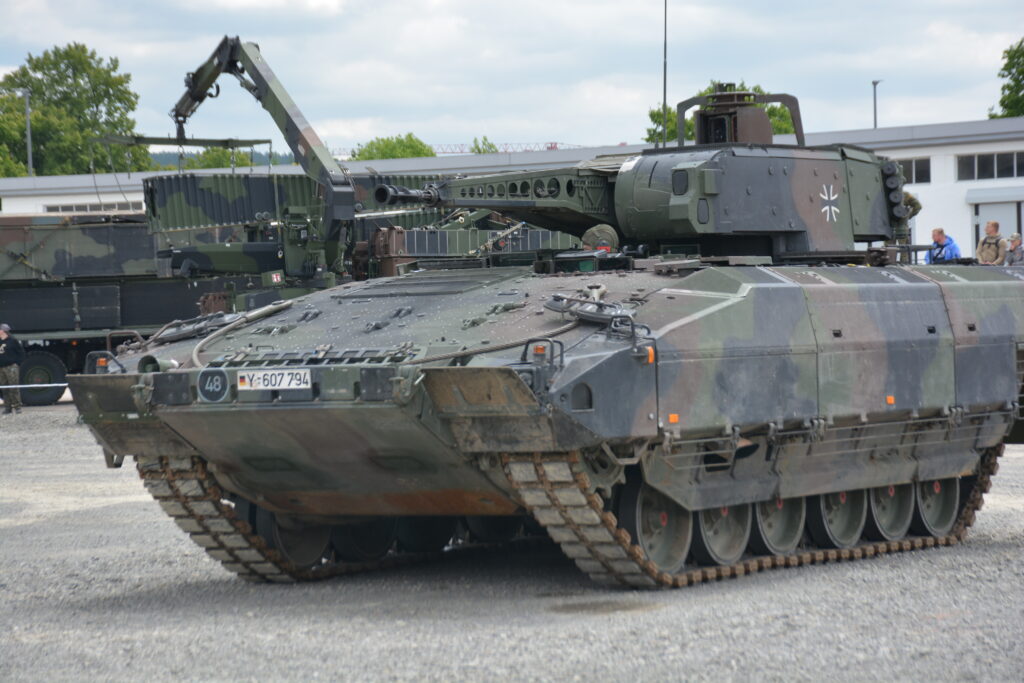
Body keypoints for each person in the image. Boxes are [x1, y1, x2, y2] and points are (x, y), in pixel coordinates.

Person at [0, 323, 25, 414]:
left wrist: (17, 364)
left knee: (13, 387)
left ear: (3, 331)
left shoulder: (12, 341)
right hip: (1, 368)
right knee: (4, 388)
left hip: (11, 367)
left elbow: (21, 352)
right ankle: (8, 407)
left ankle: (17, 407)